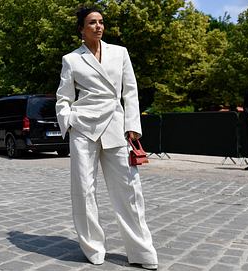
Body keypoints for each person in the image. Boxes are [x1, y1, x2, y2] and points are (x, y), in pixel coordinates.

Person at [55, 7, 158, 270]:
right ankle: (93, 249)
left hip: (116, 126)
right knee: (84, 190)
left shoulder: (120, 52)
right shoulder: (71, 59)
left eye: (101, 22)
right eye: (92, 22)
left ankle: (142, 252)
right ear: (81, 28)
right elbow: (63, 97)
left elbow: (131, 91)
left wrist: (133, 125)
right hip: (84, 128)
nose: (98, 26)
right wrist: (69, 121)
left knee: (129, 190)